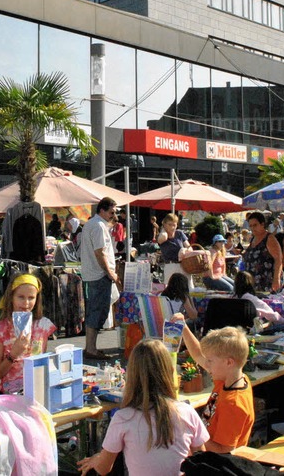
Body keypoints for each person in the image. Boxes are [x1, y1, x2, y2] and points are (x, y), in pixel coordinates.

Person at [77, 339, 208, 476]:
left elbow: (103, 469)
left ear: (131, 375)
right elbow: (202, 460)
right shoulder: (187, 412)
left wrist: (99, 457)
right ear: (169, 371)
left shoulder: (123, 418)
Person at [172, 320, 255, 452]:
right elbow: (198, 355)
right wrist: (184, 327)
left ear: (229, 362)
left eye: (210, 361)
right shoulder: (230, 378)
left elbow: (225, 450)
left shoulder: (233, 403)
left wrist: (190, 432)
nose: (206, 365)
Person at [0, 274, 56, 394]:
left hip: (38, 389)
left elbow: (42, 360)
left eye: (31, 298)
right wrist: (13, 355)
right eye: (21, 297)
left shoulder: (42, 325)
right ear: (11, 297)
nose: (26, 303)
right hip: (10, 393)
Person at [81, 197, 121, 360]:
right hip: (99, 275)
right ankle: (91, 348)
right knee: (98, 311)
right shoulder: (98, 226)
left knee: (95, 310)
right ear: (103, 210)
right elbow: (100, 253)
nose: (113, 215)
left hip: (94, 274)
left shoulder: (93, 224)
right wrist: (110, 272)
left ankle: (90, 347)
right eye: (112, 212)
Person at [242, 212, 282, 292]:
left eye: (255, 225)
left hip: (267, 282)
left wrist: (276, 279)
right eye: (250, 226)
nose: (252, 228)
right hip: (253, 282)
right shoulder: (253, 239)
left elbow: (279, 260)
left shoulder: (269, 239)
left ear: (262, 224)